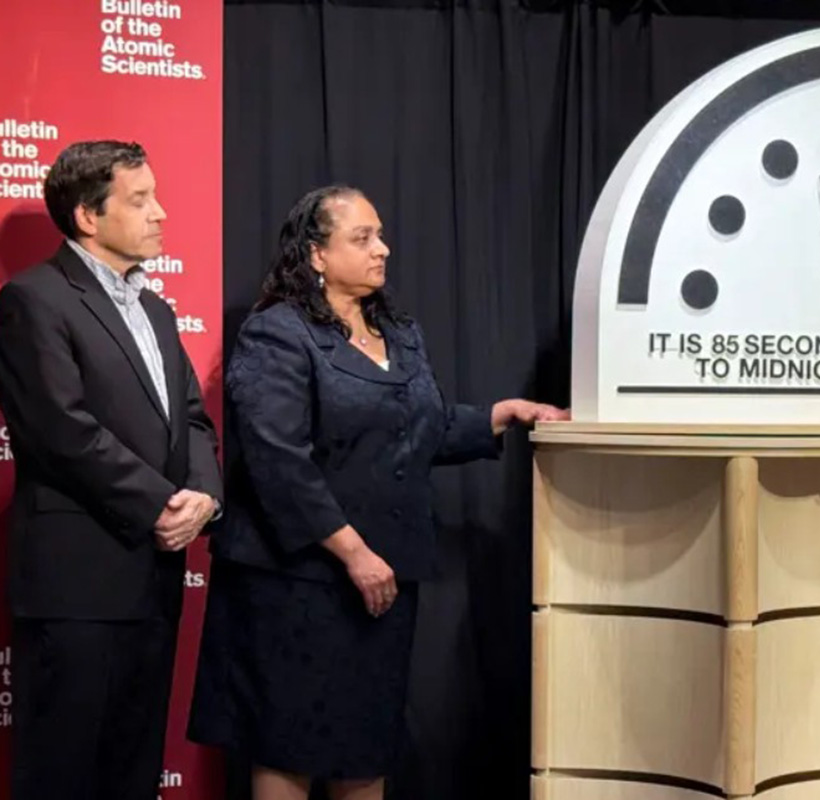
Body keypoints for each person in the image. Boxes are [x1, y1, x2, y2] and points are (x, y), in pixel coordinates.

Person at [188, 185, 567, 799]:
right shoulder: (277, 334)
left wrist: (503, 414)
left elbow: (416, 430)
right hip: (297, 582)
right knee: (288, 748)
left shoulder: (399, 331)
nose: (382, 249)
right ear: (316, 254)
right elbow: (278, 460)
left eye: (380, 235)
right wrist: (353, 553)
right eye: (362, 238)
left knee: (366, 746)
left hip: (382, 581)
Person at [0, 140, 223, 800]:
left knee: (134, 771)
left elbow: (192, 419)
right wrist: (161, 503)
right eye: (140, 199)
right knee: (63, 774)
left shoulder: (155, 309)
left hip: (152, 580)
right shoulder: (33, 299)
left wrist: (204, 496)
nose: (160, 213)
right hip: (77, 585)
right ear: (87, 216)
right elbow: (60, 429)